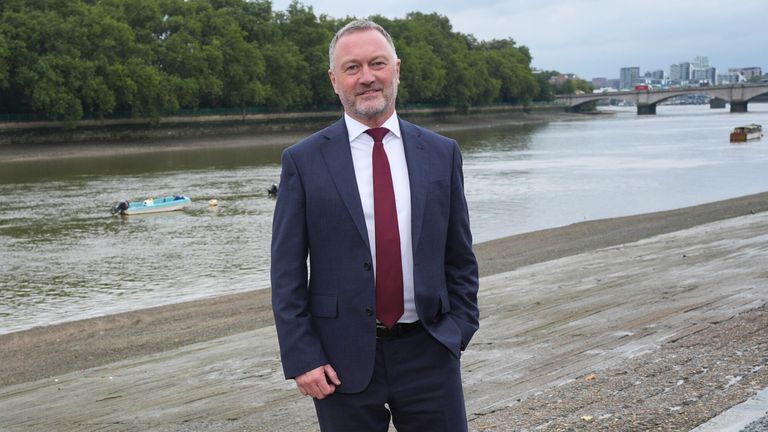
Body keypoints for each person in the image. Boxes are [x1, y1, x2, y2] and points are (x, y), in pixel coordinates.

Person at [270, 19, 479, 432]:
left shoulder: (441, 153)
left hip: (430, 351)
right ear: (334, 80)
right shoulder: (303, 161)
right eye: (352, 68)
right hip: (339, 361)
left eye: (377, 64)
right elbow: (287, 273)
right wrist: (303, 357)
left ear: (396, 69)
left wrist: (458, 331)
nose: (367, 77)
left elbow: (460, 257)